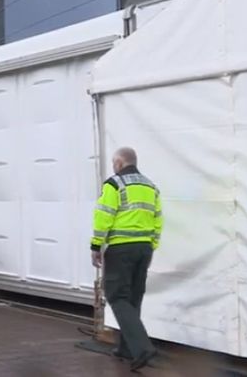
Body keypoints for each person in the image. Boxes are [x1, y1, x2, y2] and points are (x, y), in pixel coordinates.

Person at [91, 147, 162, 371]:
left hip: (121, 248)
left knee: (117, 296)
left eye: (114, 163)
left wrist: (96, 245)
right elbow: (158, 219)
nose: (113, 167)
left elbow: (104, 215)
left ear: (120, 163)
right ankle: (126, 348)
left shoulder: (114, 184)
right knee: (133, 297)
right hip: (144, 248)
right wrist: (152, 245)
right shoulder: (151, 186)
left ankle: (142, 348)